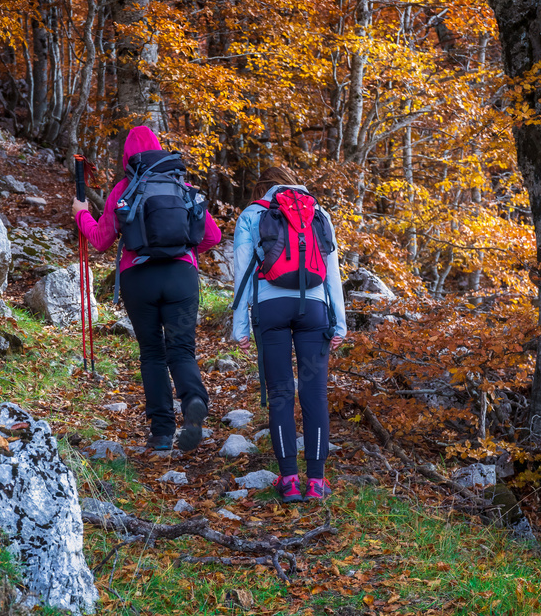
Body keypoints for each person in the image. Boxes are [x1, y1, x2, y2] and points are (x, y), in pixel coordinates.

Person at [72, 125, 221, 451]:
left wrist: (81, 216)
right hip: (181, 277)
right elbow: (212, 237)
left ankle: (162, 432)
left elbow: (99, 241)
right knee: (181, 350)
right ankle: (194, 398)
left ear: (127, 155)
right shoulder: (182, 185)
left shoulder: (124, 189)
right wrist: (182, 251)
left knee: (152, 354)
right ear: (159, 149)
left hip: (139, 279)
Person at [232, 167, 346, 501]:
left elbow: (242, 273)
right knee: (315, 394)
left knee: (281, 392)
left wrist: (240, 327)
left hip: (271, 310)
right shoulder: (318, 212)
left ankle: (289, 481)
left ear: (262, 188)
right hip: (314, 310)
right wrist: (339, 322)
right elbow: (332, 272)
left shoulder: (253, 214)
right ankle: (317, 482)